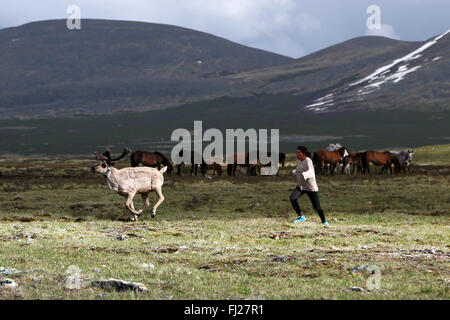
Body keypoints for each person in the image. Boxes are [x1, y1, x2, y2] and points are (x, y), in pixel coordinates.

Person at [290, 146, 329, 227]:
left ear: (303, 153)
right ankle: (301, 216)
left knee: (317, 207)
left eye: (299, 152)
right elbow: (298, 169)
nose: (297, 154)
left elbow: (310, 171)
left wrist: (304, 175)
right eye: (296, 152)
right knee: (293, 198)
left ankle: (324, 221)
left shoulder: (308, 160)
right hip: (301, 186)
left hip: (310, 187)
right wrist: (294, 171)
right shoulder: (300, 161)